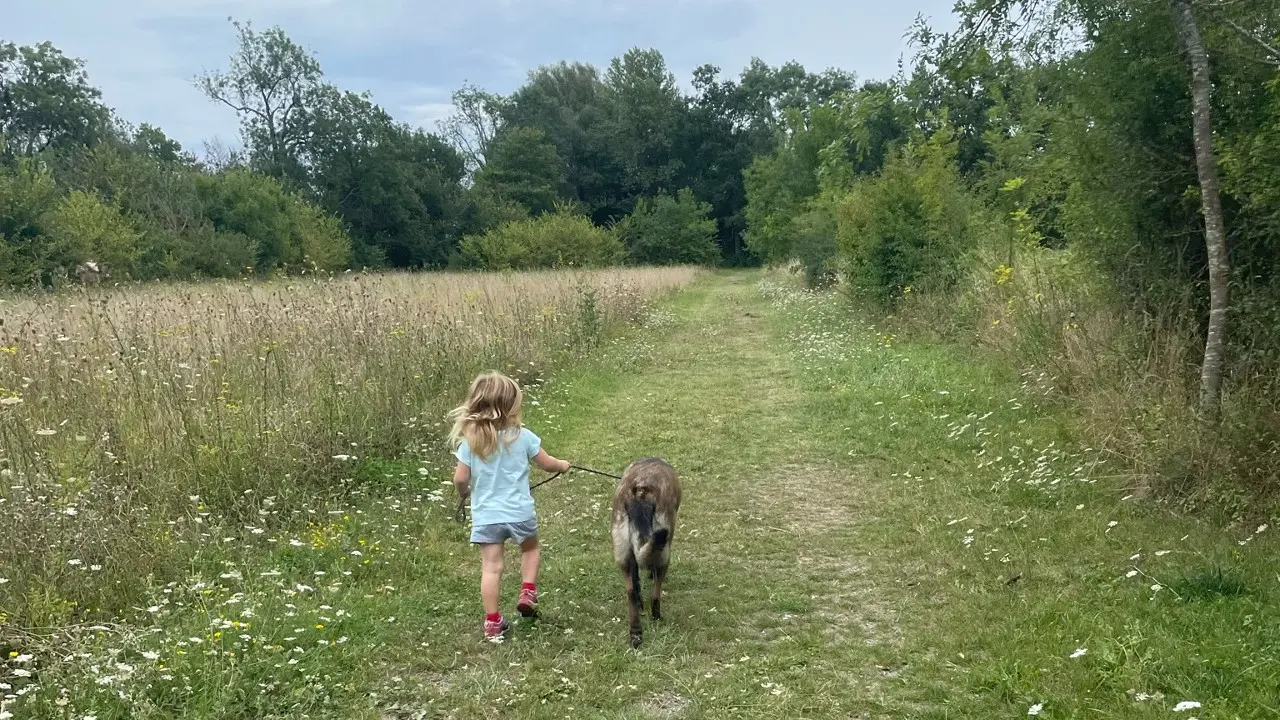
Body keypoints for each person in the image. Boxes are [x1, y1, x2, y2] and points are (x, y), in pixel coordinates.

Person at [449, 371, 571, 640]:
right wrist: (562, 466)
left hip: (487, 517)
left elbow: (460, 478)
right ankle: (528, 590)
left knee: (491, 568)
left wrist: (465, 492)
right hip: (520, 513)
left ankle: (493, 623)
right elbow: (547, 463)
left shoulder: (470, 442)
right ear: (511, 406)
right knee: (530, 548)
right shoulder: (523, 436)